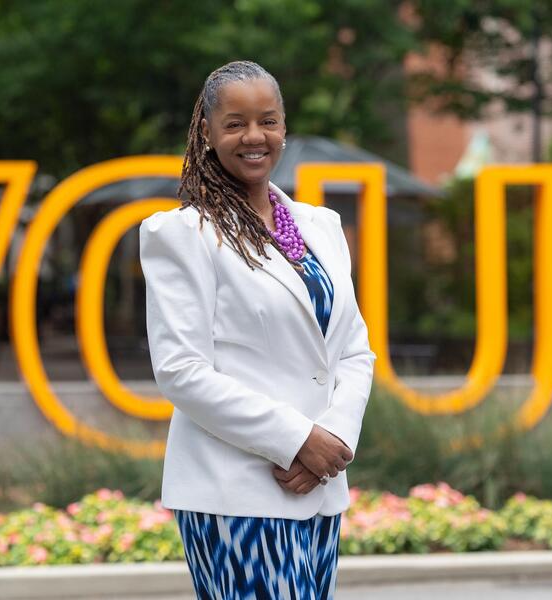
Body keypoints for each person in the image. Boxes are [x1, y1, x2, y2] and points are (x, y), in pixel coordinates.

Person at [139, 60, 375, 600]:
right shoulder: (182, 234)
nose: (253, 137)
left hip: (318, 488)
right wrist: (295, 440)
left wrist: (333, 441)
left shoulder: (322, 227)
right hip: (235, 493)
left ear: (284, 127)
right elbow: (181, 371)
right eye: (235, 123)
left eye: (267, 120)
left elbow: (354, 351)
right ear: (207, 132)